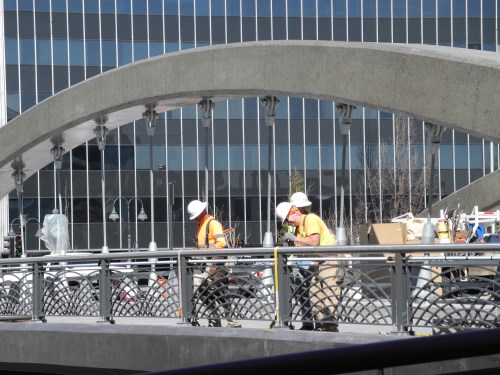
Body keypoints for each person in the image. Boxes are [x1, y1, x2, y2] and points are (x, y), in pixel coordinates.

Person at [276, 197, 341, 332]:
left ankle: (329, 324)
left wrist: (295, 239)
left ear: (295, 212)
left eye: (288, 219)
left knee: (328, 288)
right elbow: (304, 248)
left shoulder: (310, 219)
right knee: (313, 292)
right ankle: (320, 324)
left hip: (328, 258)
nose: (288, 223)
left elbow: (313, 241)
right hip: (318, 260)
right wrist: (292, 244)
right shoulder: (299, 227)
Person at [187, 199, 241, 328]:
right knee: (207, 291)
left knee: (218, 291)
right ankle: (216, 319)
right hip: (209, 262)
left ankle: (231, 321)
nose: (194, 219)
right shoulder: (201, 224)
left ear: (201, 212)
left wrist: (208, 258)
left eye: (196, 216)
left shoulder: (212, 223)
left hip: (216, 261)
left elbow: (221, 244)